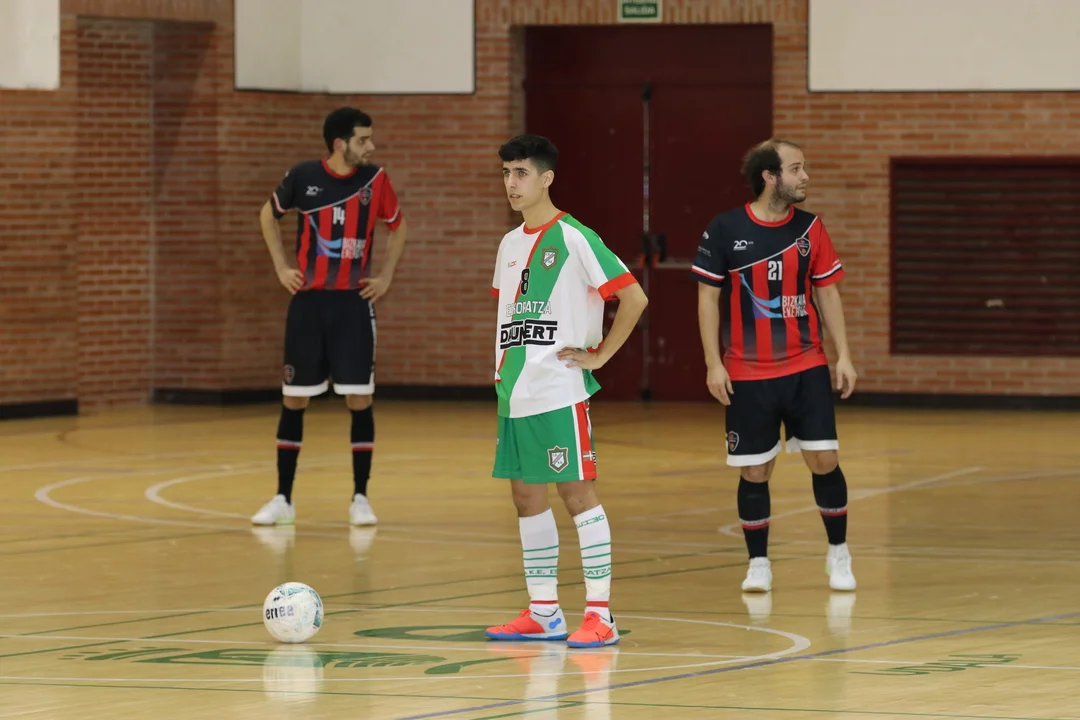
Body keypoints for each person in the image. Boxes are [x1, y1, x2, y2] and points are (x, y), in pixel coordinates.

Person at [484, 134, 648, 648]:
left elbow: (634, 297)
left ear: (547, 178)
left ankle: (601, 614)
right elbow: (511, 314)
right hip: (515, 393)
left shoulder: (576, 237)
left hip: (559, 390)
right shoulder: (509, 245)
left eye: (521, 173)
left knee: (576, 494)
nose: (512, 183)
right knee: (525, 496)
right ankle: (544, 612)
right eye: (506, 173)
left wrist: (600, 356)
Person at [693, 138, 858, 593]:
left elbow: (827, 291)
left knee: (824, 459)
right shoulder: (725, 228)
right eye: (796, 169)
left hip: (806, 365)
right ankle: (758, 563)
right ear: (770, 177)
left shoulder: (811, 228)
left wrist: (843, 354)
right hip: (747, 373)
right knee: (755, 470)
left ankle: (838, 553)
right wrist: (713, 363)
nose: (805, 177)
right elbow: (707, 298)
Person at [250, 107, 408, 527]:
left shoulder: (376, 180)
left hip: (353, 306)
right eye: (363, 139)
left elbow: (398, 226)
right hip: (308, 305)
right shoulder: (303, 176)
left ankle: (360, 498)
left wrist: (386, 276)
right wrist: (281, 267)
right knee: (294, 398)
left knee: (359, 398)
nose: (371, 146)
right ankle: (283, 498)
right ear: (340, 144)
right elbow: (268, 215)